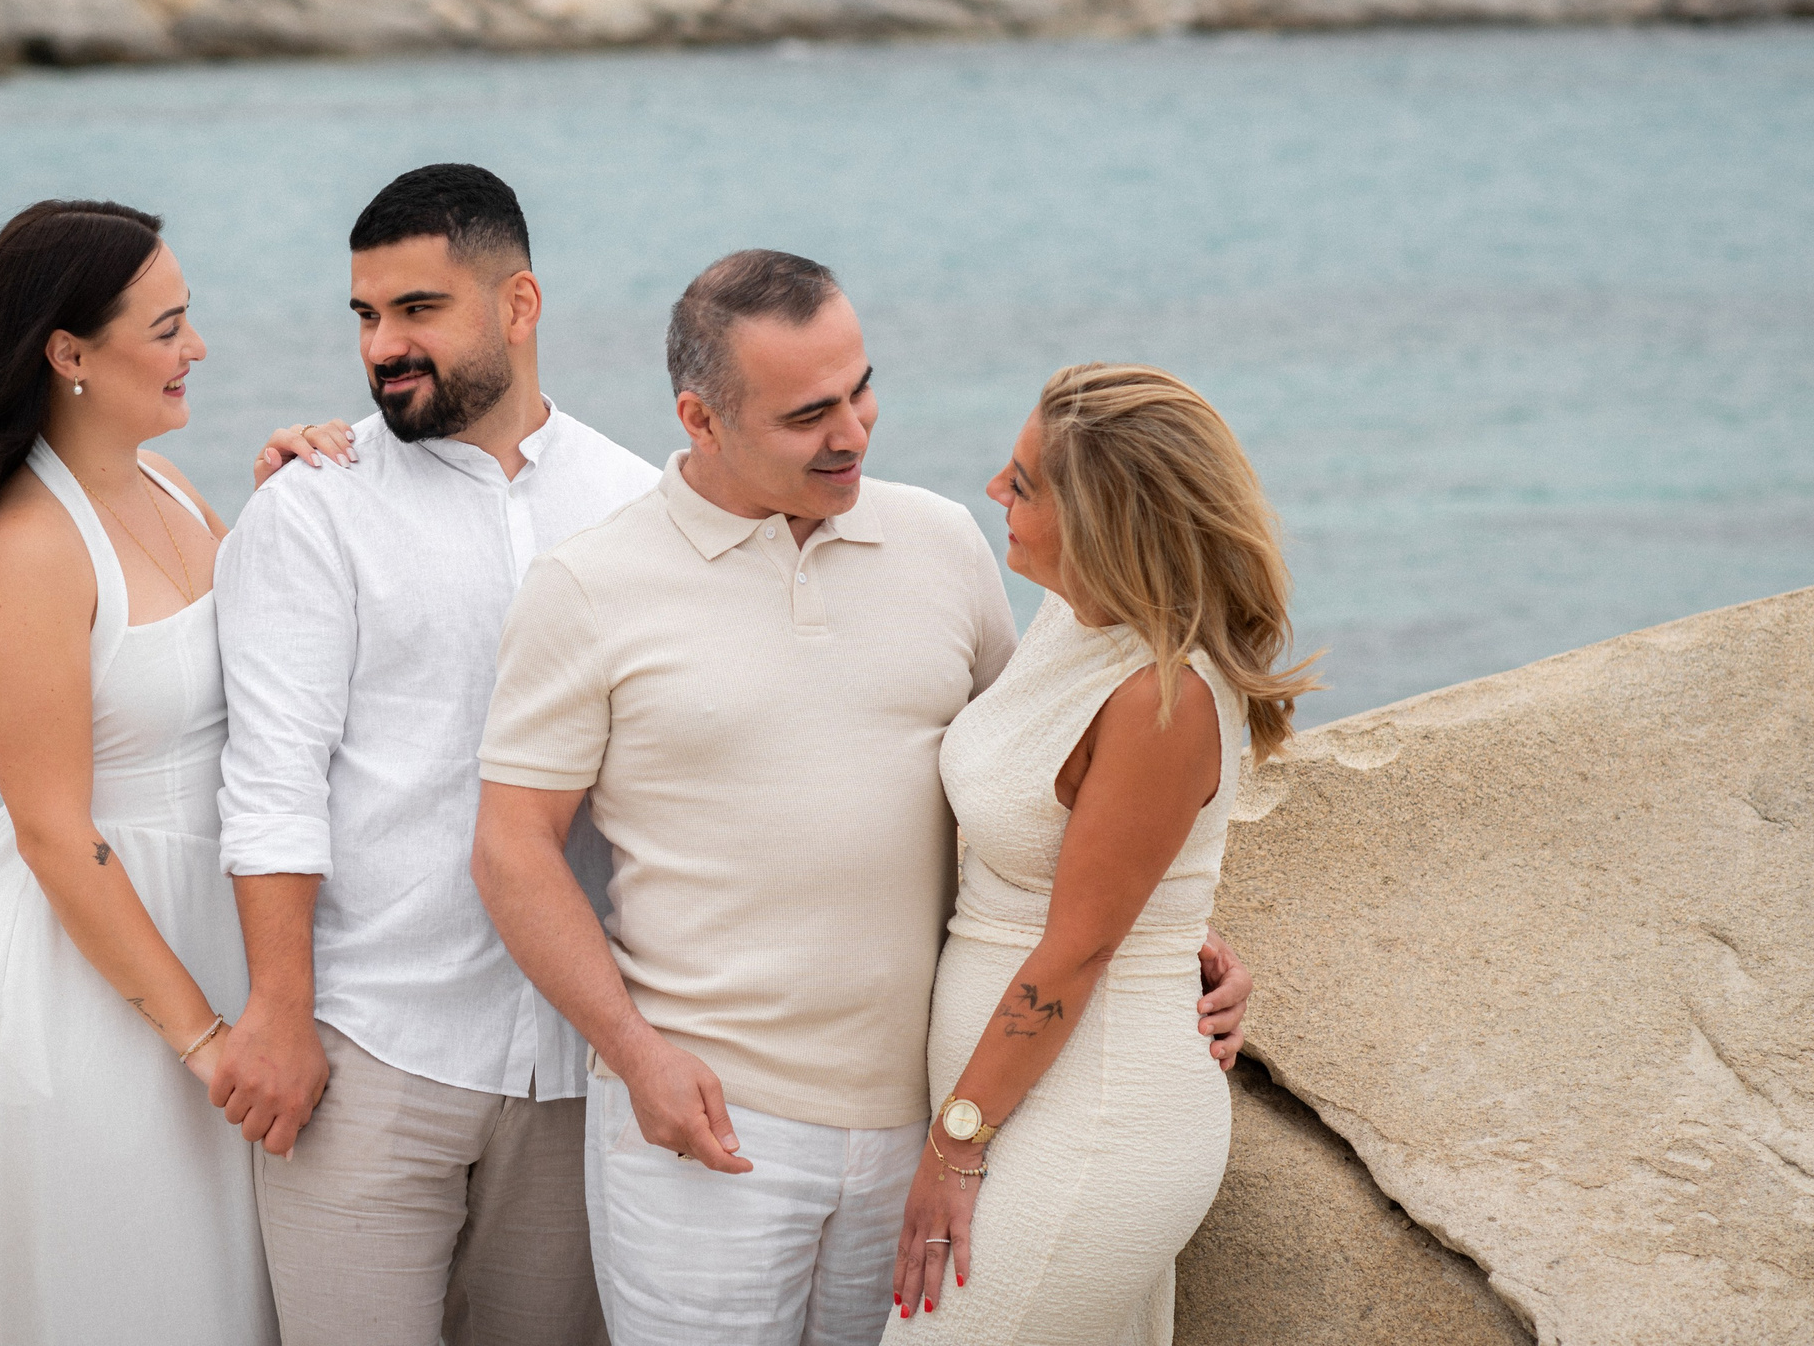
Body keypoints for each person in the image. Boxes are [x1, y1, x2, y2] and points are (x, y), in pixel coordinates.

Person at [470, 252, 1254, 1346]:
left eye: (860, 387)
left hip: (931, 1117)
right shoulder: (587, 586)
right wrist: (636, 1052)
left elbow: (1038, 785)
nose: (852, 430)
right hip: (707, 1126)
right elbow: (511, 848)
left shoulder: (941, 542)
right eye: (806, 413)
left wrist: (1171, 930)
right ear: (701, 416)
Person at [206, 164, 655, 1346]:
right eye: (364, 315)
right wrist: (279, 1013)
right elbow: (271, 781)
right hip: (369, 1054)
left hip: (576, 1066)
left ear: (519, 303)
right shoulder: (313, 510)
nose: (383, 347)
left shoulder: (641, 504)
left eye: (417, 309)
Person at [0, 199, 282, 1345]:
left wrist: (302, 501)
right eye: (170, 324)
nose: (198, 347)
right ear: (70, 351)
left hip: (220, 928)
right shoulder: (29, 543)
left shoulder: (178, 489)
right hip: (103, 975)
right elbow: (51, 829)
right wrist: (203, 1037)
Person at [885, 364, 1316, 1343]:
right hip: (1018, 1102)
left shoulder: (1162, 696)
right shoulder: (1071, 620)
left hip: (1096, 1118)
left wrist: (954, 1145)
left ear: (1104, 520)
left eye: (1024, 481)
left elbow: (1077, 947)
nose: (994, 489)